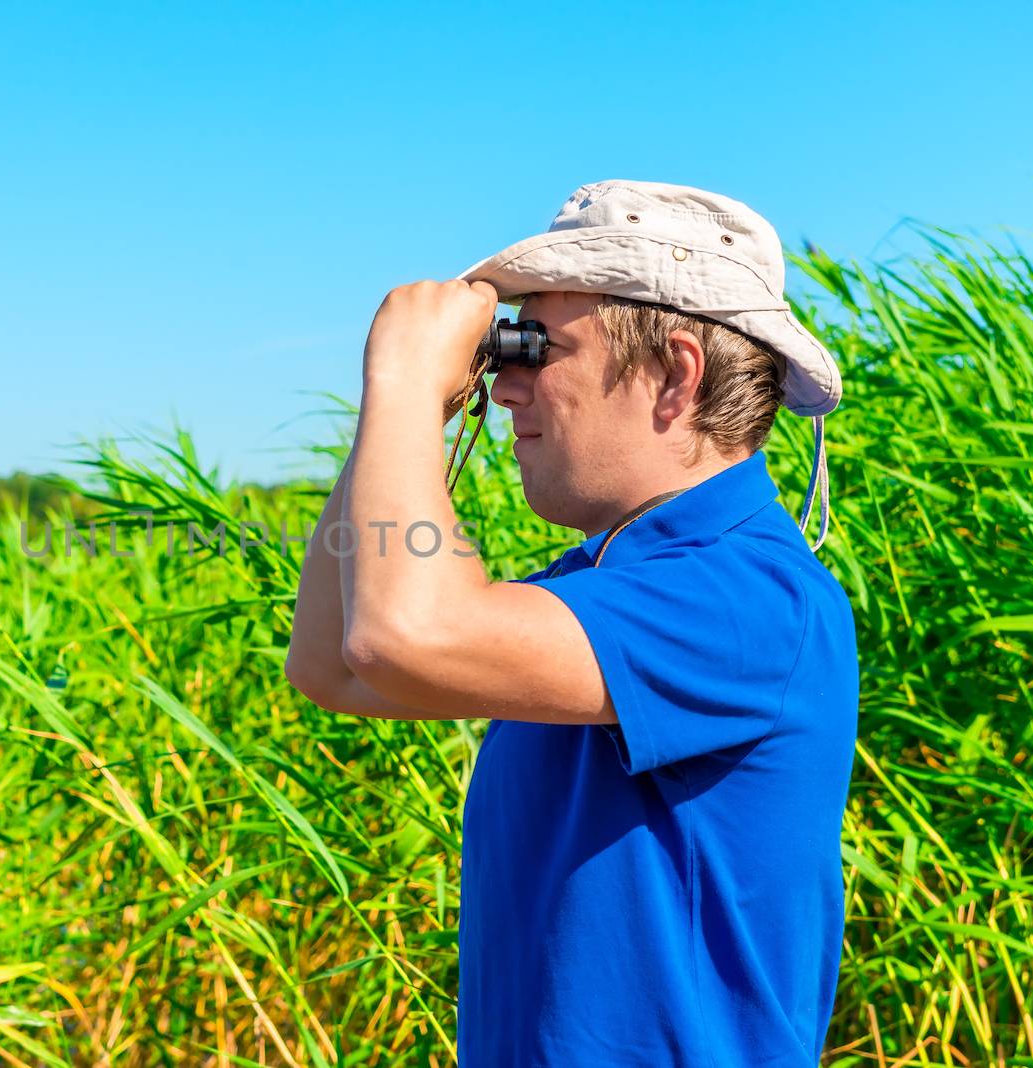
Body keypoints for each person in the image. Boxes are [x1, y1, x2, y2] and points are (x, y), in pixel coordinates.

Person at [283, 179, 859, 1066]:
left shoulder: (751, 599)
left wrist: (402, 380)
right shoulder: (610, 584)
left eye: (535, 348)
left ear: (675, 372)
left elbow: (405, 633)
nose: (504, 386)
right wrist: (395, 422)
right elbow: (338, 667)